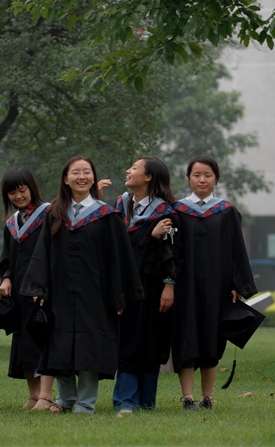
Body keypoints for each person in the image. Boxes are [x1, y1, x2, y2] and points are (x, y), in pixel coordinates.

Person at [20, 156, 143, 415]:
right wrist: (39, 288)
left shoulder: (107, 215)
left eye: (87, 172)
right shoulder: (54, 214)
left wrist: (119, 294)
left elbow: (119, 258)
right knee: (60, 344)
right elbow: (42, 252)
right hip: (60, 292)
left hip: (95, 293)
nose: (81, 176)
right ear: (66, 179)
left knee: (90, 346)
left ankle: (86, 403)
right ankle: (65, 399)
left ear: (93, 178)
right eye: (75, 172)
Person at [171, 156, 258, 410]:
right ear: (189, 178)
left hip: (217, 286)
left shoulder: (227, 211)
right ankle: (187, 397)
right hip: (184, 286)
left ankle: (207, 396)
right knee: (185, 338)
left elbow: (236, 250)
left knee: (212, 338)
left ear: (216, 179)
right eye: (197, 175)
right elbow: (171, 251)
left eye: (207, 175)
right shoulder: (177, 211)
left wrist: (237, 284)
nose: (202, 180)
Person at [108, 157, 181, 414]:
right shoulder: (120, 205)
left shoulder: (166, 211)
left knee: (151, 340)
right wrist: (149, 235)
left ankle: (147, 401)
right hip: (125, 284)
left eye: (135, 168)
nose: (128, 171)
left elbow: (171, 253)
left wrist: (169, 285)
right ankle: (125, 400)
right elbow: (115, 245)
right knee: (127, 339)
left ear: (148, 177)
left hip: (153, 286)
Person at [0, 167, 55, 411]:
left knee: (43, 339)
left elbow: (54, 254)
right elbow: (6, 258)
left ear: (32, 188)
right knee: (25, 342)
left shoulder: (49, 214)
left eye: (22, 190)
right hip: (20, 291)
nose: (19, 196)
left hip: (42, 290)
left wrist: (45, 287)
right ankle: (33, 395)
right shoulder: (12, 223)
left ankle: (46, 396)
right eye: (12, 192)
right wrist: (6, 277)